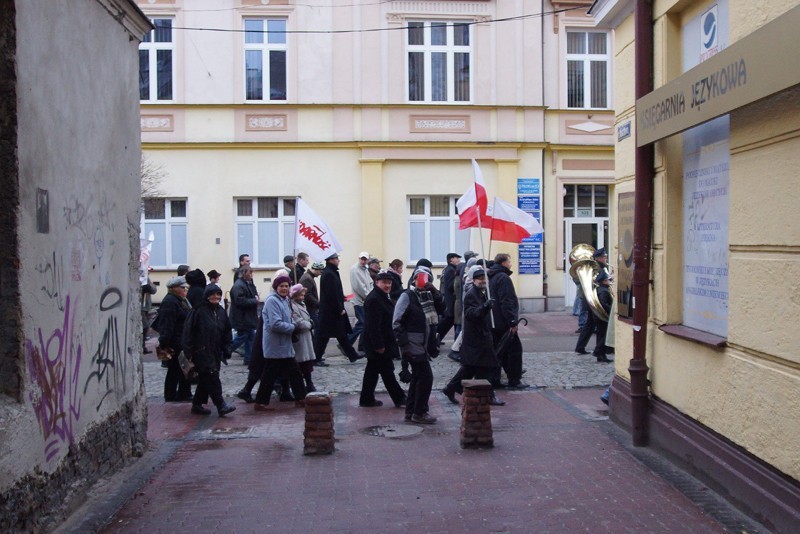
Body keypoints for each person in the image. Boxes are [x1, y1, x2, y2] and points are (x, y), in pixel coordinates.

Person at [442, 269, 505, 406]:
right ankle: (489, 395)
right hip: (477, 338)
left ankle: (452, 388)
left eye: (485, 278)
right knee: (488, 366)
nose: (483, 281)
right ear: (474, 280)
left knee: (474, 368)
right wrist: (485, 307)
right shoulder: (472, 294)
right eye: (480, 279)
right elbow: (472, 314)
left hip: (481, 336)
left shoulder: (482, 293)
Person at [393, 265, 444, 424]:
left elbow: (442, 309)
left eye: (427, 277)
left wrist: (435, 292)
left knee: (417, 377)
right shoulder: (407, 296)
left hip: (423, 344)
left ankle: (411, 411)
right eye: (420, 277)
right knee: (426, 377)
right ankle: (419, 412)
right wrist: (404, 345)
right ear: (414, 279)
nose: (423, 280)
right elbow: (396, 322)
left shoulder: (428, 296)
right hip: (412, 343)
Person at [253, 275, 307, 411]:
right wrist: (293, 328)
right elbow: (275, 324)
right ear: (276, 287)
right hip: (276, 345)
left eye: (286, 286)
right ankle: (260, 402)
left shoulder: (285, 300)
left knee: (294, 372)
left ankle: (301, 398)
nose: (284, 288)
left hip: (285, 344)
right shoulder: (272, 301)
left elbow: (289, 318)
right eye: (281, 286)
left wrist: (294, 324)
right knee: (269, 376)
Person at [182, 285, 236, 416]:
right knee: (212, 377)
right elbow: (188, 332)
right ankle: (221, 404)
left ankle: (197, 404)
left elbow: (227, 331)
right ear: (207, 295)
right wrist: (188, 352)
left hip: (216, 351)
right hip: (201, 351)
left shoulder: (221, 311)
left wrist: (227, 348)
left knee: (205, 378)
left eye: (218, 294)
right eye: (213, 294)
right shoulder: (198, 311)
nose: (216, 297)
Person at [359, 271, 406, 408]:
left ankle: (366, 399)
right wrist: (379, 345)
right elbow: (373, 325)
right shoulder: (374, 299)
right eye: (384, 282)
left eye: (389, 283)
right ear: (377, 283)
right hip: (378, 343)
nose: (387, 285)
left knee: (372, 371)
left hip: (381, 341)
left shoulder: (382, 297)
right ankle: (399, 398)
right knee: (386, 371)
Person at [488, 253, 529, 389]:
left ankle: (495, 379)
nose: (511, 264)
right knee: (514, 351)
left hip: (494, 320)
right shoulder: (503, 278)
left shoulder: (491, 275)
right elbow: (507, 301)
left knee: (499, 351)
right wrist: (512, 321)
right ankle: (514, 380)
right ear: (504, 263)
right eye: (509, 262)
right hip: (503, 321)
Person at [314, 253, 362, 363]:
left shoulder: (331, 272)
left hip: (332, 311)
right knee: (324, 336)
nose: (338, 260)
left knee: (341, 334)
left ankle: (352, 355)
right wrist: (339, 308)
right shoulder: (329, 274)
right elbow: (331, 294)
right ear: (331, 260)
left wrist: (342, 297)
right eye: (337, 258)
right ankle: (316, 358)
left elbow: (335, 292)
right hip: (331, 312)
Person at [156, 276, 193, 402]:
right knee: (175, 370)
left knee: (182, 369)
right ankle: (171, 395)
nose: (185, 290)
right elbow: (167, 324)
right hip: (175, 341)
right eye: (183, 288)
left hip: (182, 339)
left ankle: (183, 393)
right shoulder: (170, 302)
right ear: (175, 288)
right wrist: (164, 343)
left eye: (186, 288)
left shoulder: (180, 300)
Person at [575, 248, 609, 355]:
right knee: (601, 326)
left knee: (589, 325)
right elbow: (597, 282)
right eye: (604, 257)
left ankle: (580, 347)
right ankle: (600, 350)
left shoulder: (597, 268)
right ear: (599, 258)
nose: (606, 259)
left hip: (591, 300)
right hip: (595, 300)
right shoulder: (597, 268)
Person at [289, 284, 317, 393]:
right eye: (300, 295)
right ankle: (303, 386)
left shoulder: (302, 304)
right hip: (300, 338)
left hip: (306, 338)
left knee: (307, 363)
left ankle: (309, 384)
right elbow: (299, 322)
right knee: (301, 364)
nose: (302, 297)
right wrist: (310, 324)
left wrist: (309, 323)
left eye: (303, 295)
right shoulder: (293, 306)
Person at [229, 265, 259, 365]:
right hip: (242, 317)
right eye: (249, 273)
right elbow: (239, 301)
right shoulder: (239, 285)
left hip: (247, 317)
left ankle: (248, 359)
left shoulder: (247, 283)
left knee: (249, 337)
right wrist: (254, 301)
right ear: (244, 274)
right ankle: (225, 351)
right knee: (245, 337)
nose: (251, 275)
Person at [348, 251, 373, 351]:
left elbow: (370, 282)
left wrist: (370, 294)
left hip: (365, 300)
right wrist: (369, 297)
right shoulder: (355, 269)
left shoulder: (365, 269)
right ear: (359, 259)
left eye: (365, 259)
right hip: (359, 301)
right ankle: (347, 342)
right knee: (362, 323)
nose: (363, 261)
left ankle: (361, 346)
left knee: (364, 323)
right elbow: (359, 287)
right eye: (362, 259)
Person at [436, 252, 461, 342]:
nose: (458, 259)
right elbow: (451, 286)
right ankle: (435, 338)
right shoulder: (451, 270)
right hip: (451, 301)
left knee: (450, 321)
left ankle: (437, 338)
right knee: (448, 321)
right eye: (456, 258)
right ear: (451, 260)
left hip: (451, 301)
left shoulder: (450, 269)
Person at [592, 271, 613, 363]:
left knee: (601, 335)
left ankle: (601, 355)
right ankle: (598, 352)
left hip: (599, 316)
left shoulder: (599, 289)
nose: (609, 281)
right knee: (604, 336)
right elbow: (603, 304)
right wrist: (612, 310)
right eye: (608, 280)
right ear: (604, 281)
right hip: (603, 316)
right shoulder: (603, 291)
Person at [141, 271, 157, 354]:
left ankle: (143, 346)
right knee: (145, 326)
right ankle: (142, 346)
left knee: (145, 327)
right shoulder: (143, 279)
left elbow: (153, 289)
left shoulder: (145, 279)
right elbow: (152, 289)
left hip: (145, 307)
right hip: (143, 307)